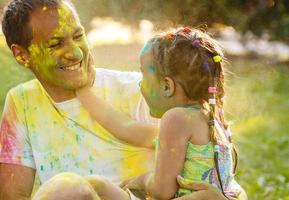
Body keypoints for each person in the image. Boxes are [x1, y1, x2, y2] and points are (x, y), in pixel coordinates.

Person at [0, 0, 234, 199]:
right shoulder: (22, 102)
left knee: (70, 186)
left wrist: (140, 180)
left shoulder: (150, 96)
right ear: (22, 54)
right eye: (56, 44)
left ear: (167, 86)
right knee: (73, 187)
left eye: (78, 36)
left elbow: (218, 182)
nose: (76, 53)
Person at [75, 28, 247, 200]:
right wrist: (84, 92)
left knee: (96, 186)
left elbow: (162, 191)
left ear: (167, 86)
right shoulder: (209, 120)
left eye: (143, 75)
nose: (140, 84)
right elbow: (125, 128)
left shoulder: (176, 119)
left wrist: (141, 180)